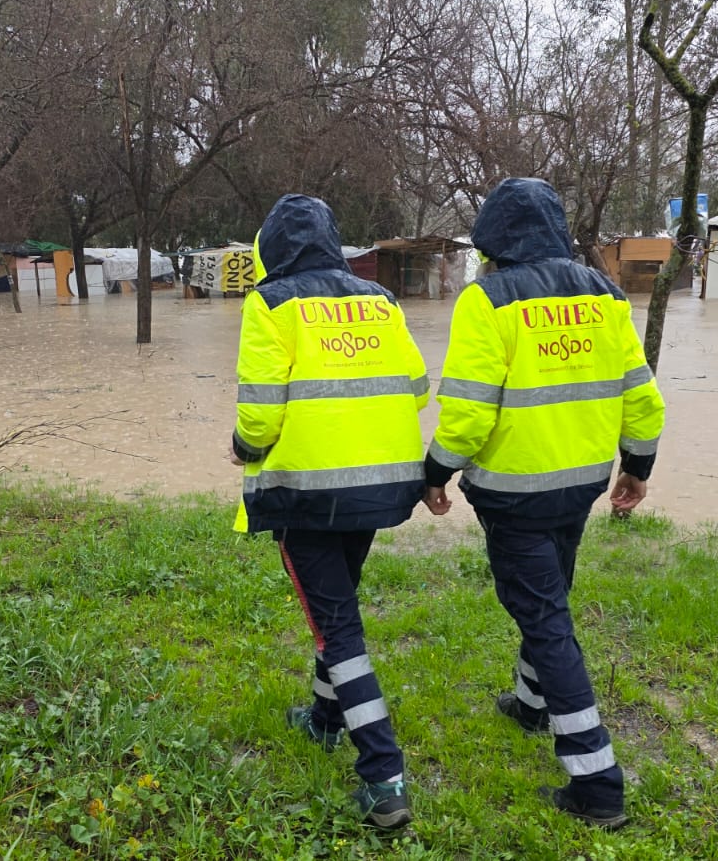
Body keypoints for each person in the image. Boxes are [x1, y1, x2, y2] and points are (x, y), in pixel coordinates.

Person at [422, 177, 665, 829]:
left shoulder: (487, 299)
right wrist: (638, 466)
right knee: (551, 592)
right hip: (581, 482)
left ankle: (596, 782)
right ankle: (532, 704)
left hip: (513, 492)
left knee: (543, 617)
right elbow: (641, 396)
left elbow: (469, 412)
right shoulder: (606, 293)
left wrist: (436, 470)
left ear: (493, 238)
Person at [231, 193, 430, 830]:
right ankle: (322, 719)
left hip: (306, 494)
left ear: (270, 250)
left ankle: (384, 776)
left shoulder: (270, 302)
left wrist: (244, 447)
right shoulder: (380, 300)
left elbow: (260, 411)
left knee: (338, 630)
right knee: (338, 606)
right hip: (379, 486)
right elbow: (417, 384)